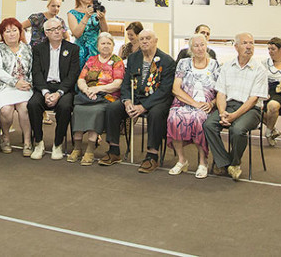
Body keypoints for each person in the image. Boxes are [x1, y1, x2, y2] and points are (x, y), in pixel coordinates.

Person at [103, 29, 175, 173]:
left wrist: (144, 107)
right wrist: (127, 101)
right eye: (141, 39)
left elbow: (165, 90)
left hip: (157, 100)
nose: (144, 41)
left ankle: (152, 156)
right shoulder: (133, 58)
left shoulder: (167, 61)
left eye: (148, 38)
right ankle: (114, 150)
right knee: (112, 108)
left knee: (155, 114)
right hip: (136, 97)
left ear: (155, 41)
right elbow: (125, 83)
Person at [202, 32, 268, 181]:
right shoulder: (227, 66)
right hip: (228, 106)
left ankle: (235, 162)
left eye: (251, 43)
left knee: (237, 129)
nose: (249, 46)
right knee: (208, 125)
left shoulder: (260, 70)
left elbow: (253, 100)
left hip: (251, 109)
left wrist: (233, 116)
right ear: (236, 46)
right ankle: (225, 162)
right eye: (245, 43)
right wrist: (222, 113)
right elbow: (221, 93)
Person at [168, 34, 220, 178]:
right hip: (184, 101)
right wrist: (194, 103)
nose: (200, 48)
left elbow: (221, 91)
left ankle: (203, 162)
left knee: (199, 119)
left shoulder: (214, 64)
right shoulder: (183, 63)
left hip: (206, 104)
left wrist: (212, 104)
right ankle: (181, 160)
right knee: (174, 117)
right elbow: (175, 89)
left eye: (202, 45)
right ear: (191, 48)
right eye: (196, 46)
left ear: (206, 45)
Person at [28, 18, 80, 160]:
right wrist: (45, 93)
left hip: (63, 88)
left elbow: (73, 74)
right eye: (52, 29)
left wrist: (59, 93)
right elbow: (36, 73)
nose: (57, 31)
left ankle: (58, 144)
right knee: (32, 104)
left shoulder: (73, 49)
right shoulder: (38, 49)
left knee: (65, 106)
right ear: (46, 33)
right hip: (44, 87)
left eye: (59, 28)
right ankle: (38, 143)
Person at [69, 32, 122, 165]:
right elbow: (81, 79)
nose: (105, 46)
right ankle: (77, 148)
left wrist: (97, 89)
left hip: (107, 96)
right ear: (97, 46)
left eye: (109, 43)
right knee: (78, 110)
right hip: (88, 95)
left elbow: (117, 84)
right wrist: (87, 90)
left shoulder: (117, 61)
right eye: (103, 43)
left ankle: (90, 149)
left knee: (96, 111)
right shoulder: (92, 59)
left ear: (113, 46)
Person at [0, 18, 32, 155]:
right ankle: (6, 137)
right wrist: (15, 82)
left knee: (25, 108)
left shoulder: (27, 48)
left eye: (15, 30)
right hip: (3, 87)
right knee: (6, 110)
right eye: (8, 31)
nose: (12, 34)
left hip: (24, 87)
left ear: (20, 32)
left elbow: (32, 69)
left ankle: (27, 142)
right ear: (2, 34)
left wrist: (29, 83)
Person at [67, 0, 107, 64]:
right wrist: (86, 16)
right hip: (80, 51)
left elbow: (105, 32)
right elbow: (76, 34)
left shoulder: (96, 11)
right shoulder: (72, 13)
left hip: (96, 49)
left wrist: (102, 19)